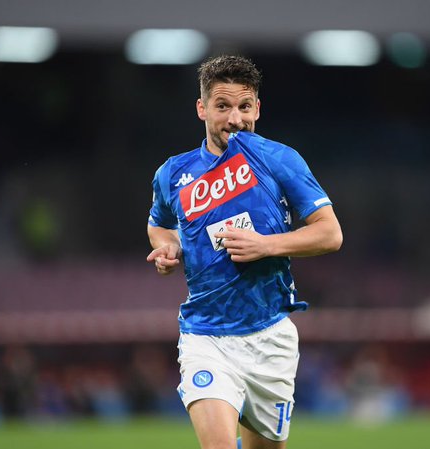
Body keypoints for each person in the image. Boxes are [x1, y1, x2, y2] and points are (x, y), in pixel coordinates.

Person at [146, 55, 342, 449]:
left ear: (257, 108)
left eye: (244, 106)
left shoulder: (279, 159)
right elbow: (159, 224)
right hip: (206, 335)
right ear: (202, 108)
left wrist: (266, 245)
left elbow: (330, 233)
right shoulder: (173, 173)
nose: (235, 119)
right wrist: (168, 246)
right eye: (223, 106)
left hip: (270, 336)